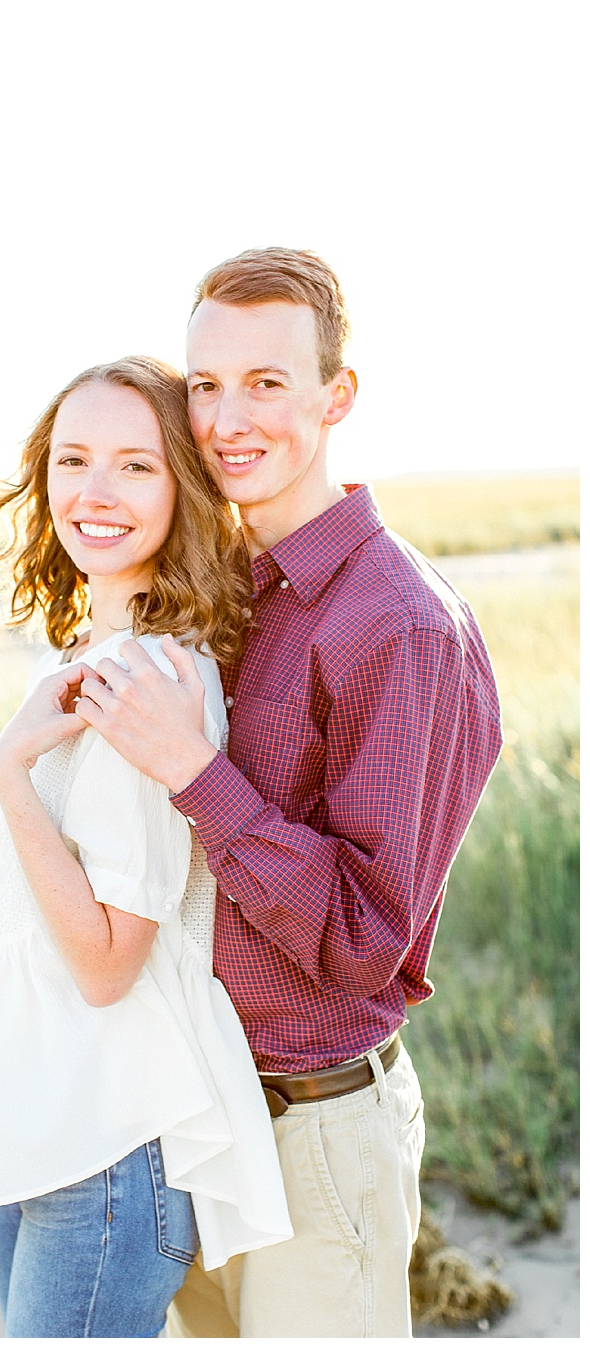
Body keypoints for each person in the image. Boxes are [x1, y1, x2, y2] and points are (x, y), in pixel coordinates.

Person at [70, 249, 502, 1337]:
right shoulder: (221, 592)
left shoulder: (399, 626)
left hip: (314, 1129)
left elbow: (363, 936)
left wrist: (195, 773)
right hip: (189, 1118)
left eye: (267, 382)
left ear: (336, 395)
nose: (228, 420)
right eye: (206, 385)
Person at [0, 355, 293, 1338]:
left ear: (183, 487)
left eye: (135, 466)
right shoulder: (79, 660)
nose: (94, 491)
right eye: (72, 460)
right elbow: (14, 915)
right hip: (32, 1118)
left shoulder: (150, 681)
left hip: (107, 1148)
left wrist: (9, 775)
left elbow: (109, 962)